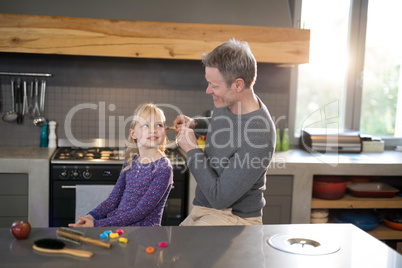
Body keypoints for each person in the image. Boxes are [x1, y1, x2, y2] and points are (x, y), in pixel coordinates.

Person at [173, 39, 276, 226]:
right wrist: (195, 123)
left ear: (237, 85)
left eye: (214, 86)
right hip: (206, 210)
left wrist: (191, 149)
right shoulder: (229, 102)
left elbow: (219, 197)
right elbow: (225, 124)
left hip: (235, 219)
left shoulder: (259, 137)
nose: (208, 90)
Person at [69, 103, 173, 227]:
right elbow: (113, 200)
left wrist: (96, 224)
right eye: (146, 125)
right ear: (133, 133)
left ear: (164, 131)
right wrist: (91, 216)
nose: (153, 130)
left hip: (145, 234)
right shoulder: (131, 162)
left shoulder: (163, 168)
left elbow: (139, 212)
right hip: (119, 227)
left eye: (159, 125)